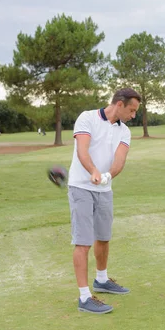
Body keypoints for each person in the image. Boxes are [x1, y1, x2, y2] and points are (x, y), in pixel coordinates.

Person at [67, 88, 141, 314]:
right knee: (83, 241)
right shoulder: (87, 118)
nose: (133, 115)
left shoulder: (124, 131)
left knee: (104, 237)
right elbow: (82, 150)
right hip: (81, 187)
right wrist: (92, 171)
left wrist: (107, 176)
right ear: (119, 104)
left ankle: (101, 279)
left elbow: (119, 160)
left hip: (104, 190)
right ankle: (84, 297)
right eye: (131, 110)